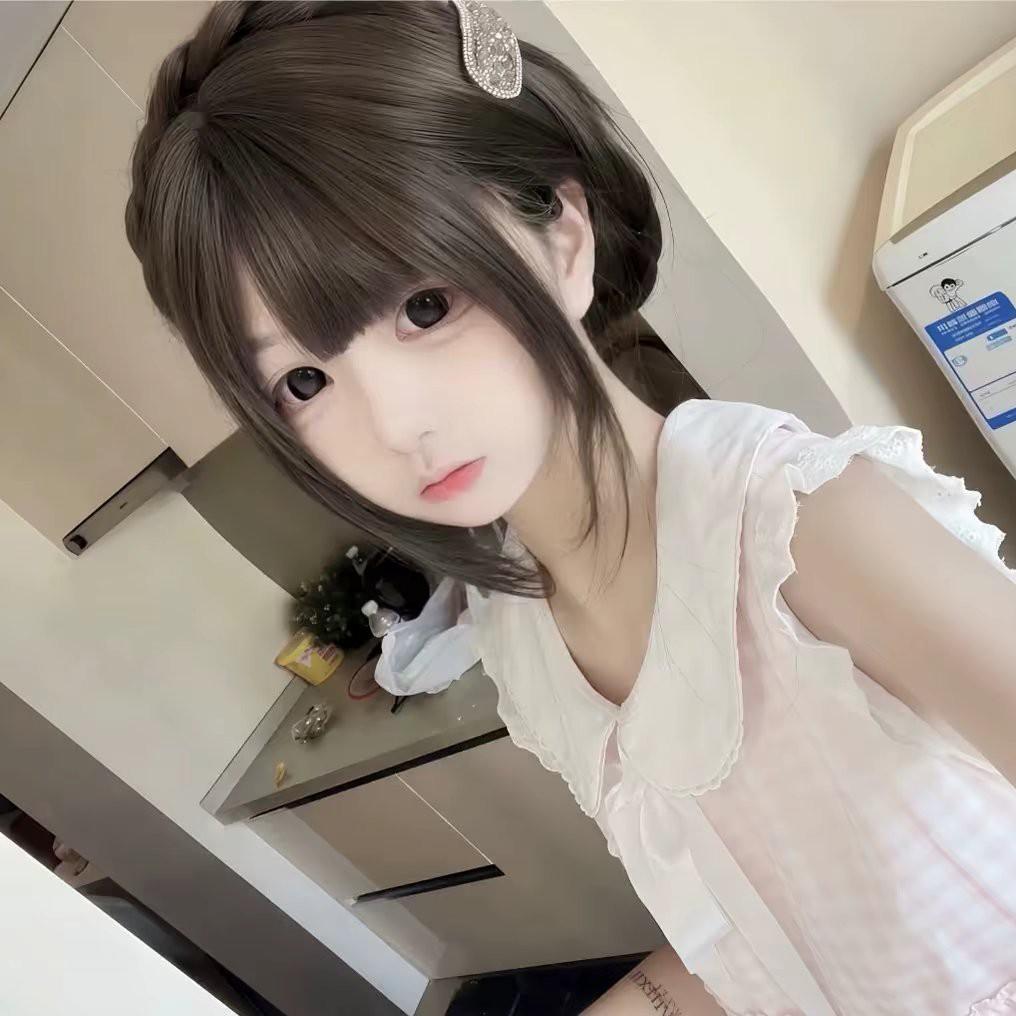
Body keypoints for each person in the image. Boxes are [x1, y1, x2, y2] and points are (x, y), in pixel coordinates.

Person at [125, 3, 1016, 1013]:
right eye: (304, 381)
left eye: (423, 306)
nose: (395, 425)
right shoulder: (526, 649)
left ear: (564, 237)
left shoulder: (797, 528)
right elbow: (759, 932)